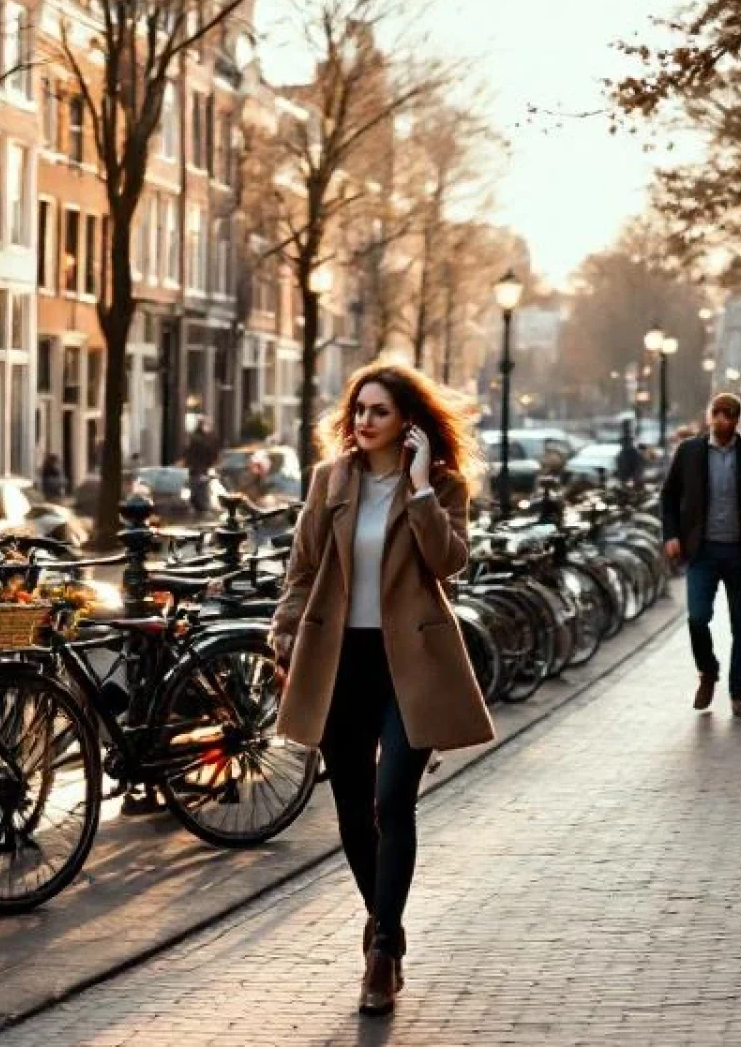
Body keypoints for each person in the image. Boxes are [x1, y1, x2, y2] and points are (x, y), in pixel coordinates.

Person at [267, 362, 492, 1017]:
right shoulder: (330, 482)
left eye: (379, 412)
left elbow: (449, 562)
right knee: (350, 811)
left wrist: (420, 489)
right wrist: (284, 629)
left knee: (394, 802)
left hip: (411, 662)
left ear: (408, 424)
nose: (364, 422)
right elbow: (303, 567)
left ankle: (383, 950)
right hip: (342, 659)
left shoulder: (444, 487)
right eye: (358, 410)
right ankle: (384, 925)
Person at [659, 392, 741, 718]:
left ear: (737, 420)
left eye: (729, 415)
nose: (722, 420)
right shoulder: (689, 452)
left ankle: (739, 694)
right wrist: (671, 535)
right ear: (708, 415)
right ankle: (708, 670)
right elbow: (669, 496)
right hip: (702, 551)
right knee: (697, 618)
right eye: (717, 413)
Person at [182, 419, 220, 514]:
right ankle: (200, 508)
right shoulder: (203, 439)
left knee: (197, 489)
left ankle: (197, 507)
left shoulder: (196, 438)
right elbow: (210, 453)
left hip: (197, 469)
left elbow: (188, 453)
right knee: (200, 489)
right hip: (200, 469)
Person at [614, 420, 644, 485]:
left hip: (630, 479)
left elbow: (637, 468)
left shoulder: (632, 453)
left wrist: (634, 478)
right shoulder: (621, 454)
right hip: (626, 478)